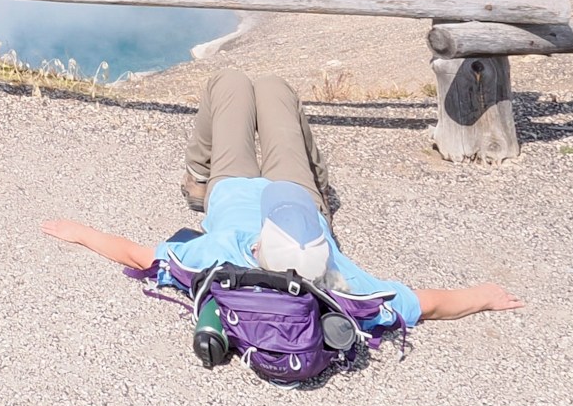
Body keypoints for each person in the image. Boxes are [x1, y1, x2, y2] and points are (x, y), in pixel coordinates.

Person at [40, 67, 521, 328]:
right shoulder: (337, 282)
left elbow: (136, 257)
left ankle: (195, 177)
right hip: (297, 191)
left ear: (260, 247)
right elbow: (423, 304)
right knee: (273, 89)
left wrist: (78, 232)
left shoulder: (223, 259)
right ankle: (316, 184)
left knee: (228, 84)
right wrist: (480, 298)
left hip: (226, 186)